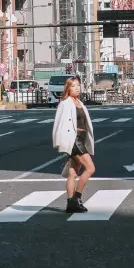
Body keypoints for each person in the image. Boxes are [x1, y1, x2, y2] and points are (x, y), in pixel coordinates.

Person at [52, 76, 95, 213]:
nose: (76, 88)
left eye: (78, 85)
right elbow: (58, 123)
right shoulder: (65, 103)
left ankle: (70, 204)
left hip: (81, 138)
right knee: (90, 168)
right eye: (73, 86)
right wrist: (61, 142)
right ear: (68, 89)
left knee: (73, 173)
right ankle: (77, 197)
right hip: (74, 140)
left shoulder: (79, 102)